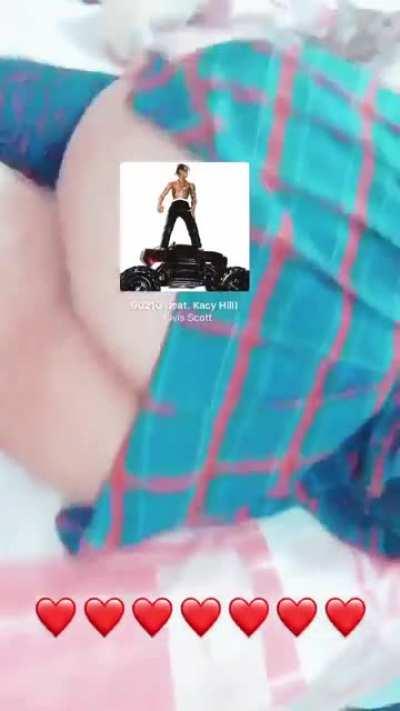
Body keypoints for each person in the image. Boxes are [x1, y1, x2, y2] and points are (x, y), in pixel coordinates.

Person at [157, 163, 202, 248]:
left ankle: (197, 246)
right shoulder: (172, 183)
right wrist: (159, 205)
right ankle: (163, 246)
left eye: (187, 171)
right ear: (180, 171)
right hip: (175, 205)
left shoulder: (190, 185)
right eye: (185, 170)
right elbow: (162, 195)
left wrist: (193, 210)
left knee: (192, 227)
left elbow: (194, 199)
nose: (187, 172)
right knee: (168, 227)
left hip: (185, 206)